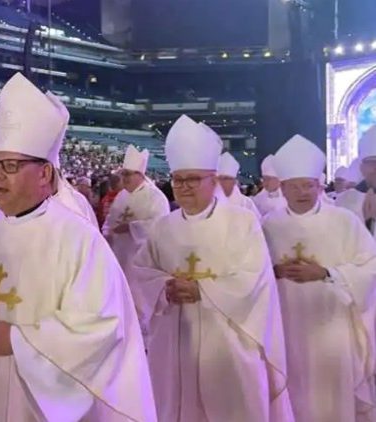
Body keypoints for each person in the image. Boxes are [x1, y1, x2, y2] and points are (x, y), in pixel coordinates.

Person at [0, 72, 156, 422]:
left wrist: (17, 343)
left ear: (44, 175)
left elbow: (100, 329)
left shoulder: (79, 241)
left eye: (11, 166)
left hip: (38, 406)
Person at [132, 115, 292, 421]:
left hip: (230, 345)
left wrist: (202, 289)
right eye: (178, 179)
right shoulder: (162, 227)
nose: (183, 187)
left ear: (213, 180)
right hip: (174, 344)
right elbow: (140, 273)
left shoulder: (242, 222)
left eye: (193, 179)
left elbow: (254, 280)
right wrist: (163, 287)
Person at [263, 134, 376, 422]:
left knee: (332, 394)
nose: (304, 192)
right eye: (296, 186)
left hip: (333, 324)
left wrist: (326, 273)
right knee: (293, 387)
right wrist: (272, 271)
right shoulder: (269, 224)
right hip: (287, 322)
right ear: (283, 188)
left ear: (319, 185)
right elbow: (254, 269)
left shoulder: (343, 221)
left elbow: (370, 265)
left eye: (310, 185)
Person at [102, 145, 169, 325]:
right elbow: (110, 219)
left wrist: (132, 228)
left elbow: (160, 225)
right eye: (123, 174)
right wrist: (106, 233)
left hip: (140, 258)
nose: (124, 179)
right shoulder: (122, 196)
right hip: (119, 254)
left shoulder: (155, 197)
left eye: (128, 174)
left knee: (139, 301)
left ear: (140, 175)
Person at [336, 126, 376, 235]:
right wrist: (365, 220)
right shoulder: (345, 201)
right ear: (362, 168)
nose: (375, 168)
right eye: (372, 162)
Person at [216, 152, 261, 218]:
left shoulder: (246, 203)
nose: (221, 182)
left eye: (226, 179)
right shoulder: (208, 201)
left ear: (234, 181)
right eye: (219, 178)